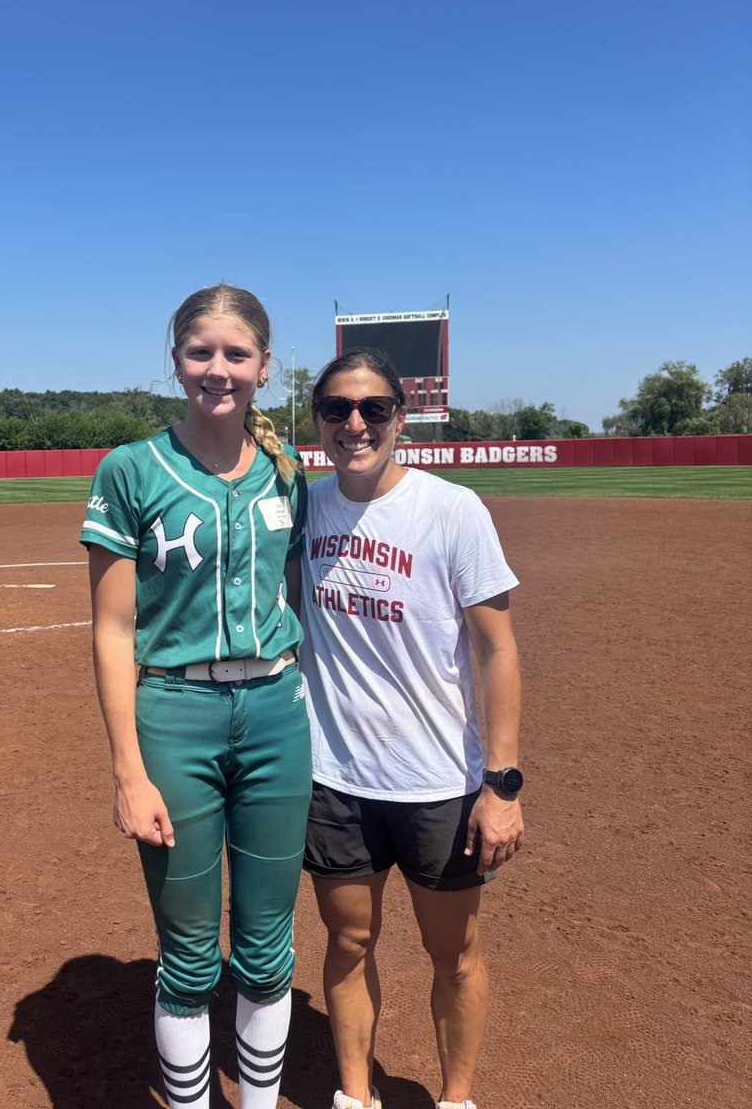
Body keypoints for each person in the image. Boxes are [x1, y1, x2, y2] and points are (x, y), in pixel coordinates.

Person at [80, 284, 312, 1109]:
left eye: (236, 354)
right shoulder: (132, 469)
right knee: (185, 953)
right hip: (175, 716)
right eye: (200, 352)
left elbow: (291, 599)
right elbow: (112, 629)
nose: (218, 369)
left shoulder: (289, 473)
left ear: (265, 367)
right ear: (176, 358)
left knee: (267, 949)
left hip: (278, 717)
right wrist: (127, 771)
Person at [299, 348, 525, 1109]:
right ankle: (355, 1096)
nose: (355, 424)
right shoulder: (304, 507)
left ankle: (455, 1100)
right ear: (319, 421)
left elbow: (496, 648)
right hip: (336, 779)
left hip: (439, 784)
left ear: (401, 417)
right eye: (337, 409)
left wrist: (502, 784)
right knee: (348, 942)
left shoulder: (452, 509)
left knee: (453, 953)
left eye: (373, 409)